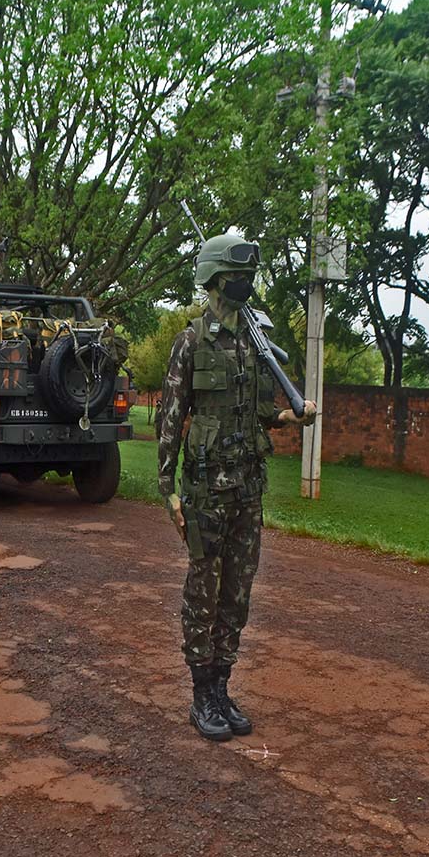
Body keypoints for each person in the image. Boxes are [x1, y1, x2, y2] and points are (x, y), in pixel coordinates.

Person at [156, 233, 317, 742]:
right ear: (214, 279)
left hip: (249, 487)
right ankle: (201, 692)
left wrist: (292, 415)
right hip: (205, 491)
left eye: (248, 275)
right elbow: (170, 417)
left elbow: (261, 410)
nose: (244, 283)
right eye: (236, 275)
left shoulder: (254, 343)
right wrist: (168, 489)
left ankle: (222, 685)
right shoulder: (191, 342)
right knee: (203, 591)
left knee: (237, 596)